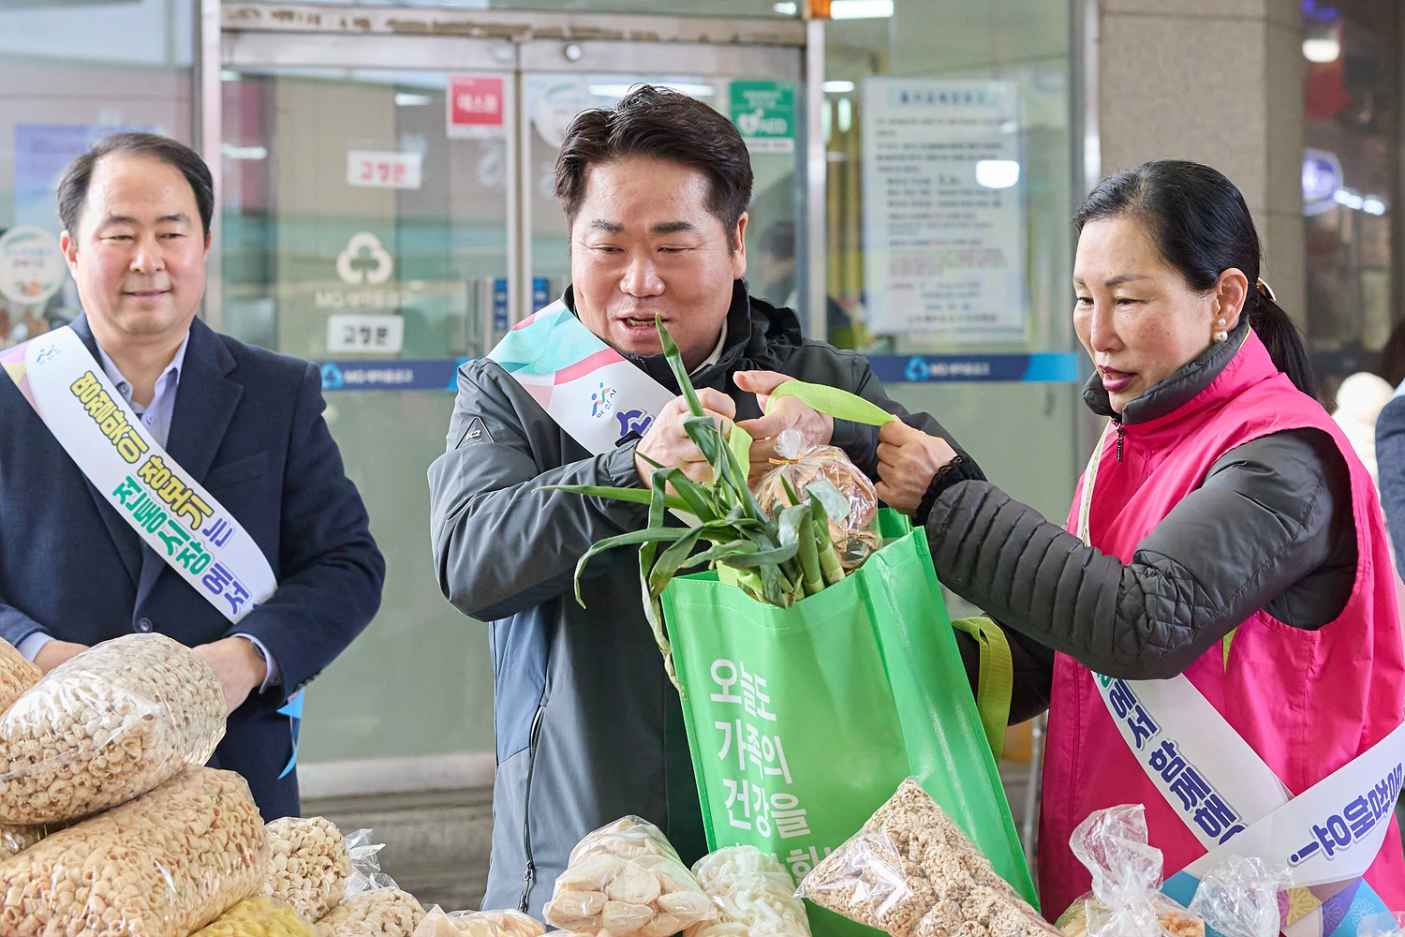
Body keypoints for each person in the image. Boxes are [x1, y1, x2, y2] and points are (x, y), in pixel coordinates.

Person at [426, 85, 982, 917]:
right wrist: (632, 474)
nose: (637, 282)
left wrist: (843, 443)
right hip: (592, 861)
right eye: (606, 247)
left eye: (672, 246)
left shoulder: (814, 381)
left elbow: (964, 507)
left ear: (736, 242)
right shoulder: (517, 388)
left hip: (795, 835)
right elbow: (471, 560)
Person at [877, 160, 1405, 916]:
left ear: (1224, 299)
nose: (1098, 332)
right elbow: (1069, 645)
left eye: (1127, 300)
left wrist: (947, 500)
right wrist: (888, 659)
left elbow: (1142, 622)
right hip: (1129, 900)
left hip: (1263, 903)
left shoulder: (1284, 457)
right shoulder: (1132, 442)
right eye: (1083, 298)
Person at [0, 132, 385, 820]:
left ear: (204, 245)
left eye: (170, 233)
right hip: (47, 777)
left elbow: (347, 564)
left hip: (231, 779)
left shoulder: (277, 392)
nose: (147, 259)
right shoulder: (13, 394)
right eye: (120, 234)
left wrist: (246, 658)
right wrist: (39, 653)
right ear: (72, 251)